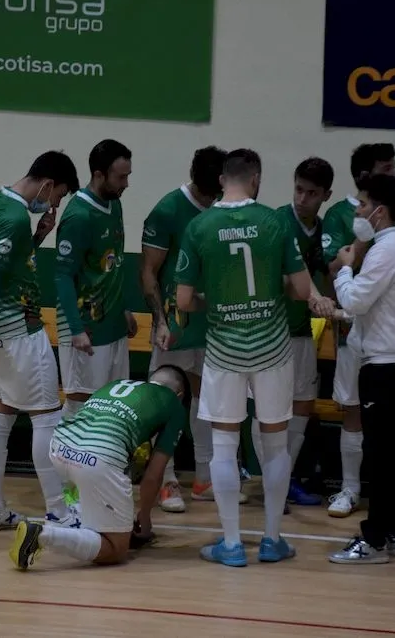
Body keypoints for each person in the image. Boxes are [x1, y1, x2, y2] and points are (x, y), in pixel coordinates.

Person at [175, 148, 312, 567]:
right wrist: (276, 292)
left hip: (224, 350)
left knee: (223, 444)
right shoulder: (275, 223)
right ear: (256, 178)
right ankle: (272, 539)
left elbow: (182, 300)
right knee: (274, 444)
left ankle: (232, 544)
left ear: (221, 180)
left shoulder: (199, 226)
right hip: (272, 347)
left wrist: (210, 299)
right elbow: (303, 290)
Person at [0, 150, 81, 531]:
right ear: (48, 183)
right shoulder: (16, 216)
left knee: (0, 416)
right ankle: (59, 511)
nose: (54, 204)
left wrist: (36, 238)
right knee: (47, 417)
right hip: (16, 332)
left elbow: (5, 268)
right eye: (58, 195)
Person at [140, 145, 249, 512]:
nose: (213, 196)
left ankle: (204, 478)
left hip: (215, 323)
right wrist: (159, 321)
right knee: (166, 401)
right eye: (208, 190)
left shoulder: (225, 210)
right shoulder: (168, 210)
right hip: (176, 325)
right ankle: (166, 480)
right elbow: (149, 272)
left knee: (210, 402)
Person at [8, 366, 191, 570]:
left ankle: (78, 517)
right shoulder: (175, 404)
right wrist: (145, 516)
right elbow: (153, 475)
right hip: (97, 459)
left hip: (59, 447)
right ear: (180, 394)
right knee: (117, 549)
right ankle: (42, 535)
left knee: (100, 489)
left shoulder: (118, 384)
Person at [328, 173, 395, 564]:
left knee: (383, 455)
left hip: (384, 368)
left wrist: (345, 268)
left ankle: (375, 539)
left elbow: (356, 303)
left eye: (363, 205)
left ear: (380, 212)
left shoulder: (385, 250)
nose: (358, 211)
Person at [54, 139, 139, 509]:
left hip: (113, 329)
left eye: (128, 175)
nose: (126, 183)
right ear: (99, 174)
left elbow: (110, 264)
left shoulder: (114, 204)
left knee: (110, 411)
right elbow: (62, 277)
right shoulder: (77, 216)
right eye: (121, 176)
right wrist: (75, 329)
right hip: (85, 332)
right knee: (79, 410)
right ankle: (69, 493)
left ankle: (102, 485)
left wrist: (122, 309)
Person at [251, 157, 339, 508]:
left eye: (312, 193)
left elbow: (328, 268)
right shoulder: (276, 222)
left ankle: (282, 478)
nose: (302, 198)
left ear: (326, 195)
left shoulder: (322, 230)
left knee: (303, 402)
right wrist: (314, 296)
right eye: (298, 189)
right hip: (269, 329)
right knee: (268, 408)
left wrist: (333, 298)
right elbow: (289, 277)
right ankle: (272, 481)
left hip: (302, 330)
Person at [322, 143, 395, 518]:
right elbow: (335, 265)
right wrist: (358, 243)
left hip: (391, 337)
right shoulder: (341, 215)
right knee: (351, 408)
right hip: (354, 330)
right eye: (388, 167)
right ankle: (349, 489)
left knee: (389, 418)